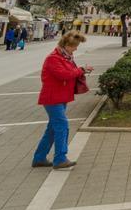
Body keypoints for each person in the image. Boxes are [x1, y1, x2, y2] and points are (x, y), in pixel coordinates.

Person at [33, 31, 92, 170]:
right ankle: (60, 159)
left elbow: (71, 73)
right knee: (62, 126)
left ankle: (39, 158)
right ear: (66, 45)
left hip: (60, 97)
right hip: (52, 98)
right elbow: (64, 75)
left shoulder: (67, 57)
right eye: (74, 46)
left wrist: (81, 70)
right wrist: (81, 69)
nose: (76, 49)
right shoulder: (53, 58)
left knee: (52, 129)